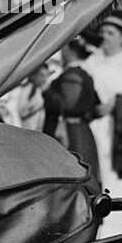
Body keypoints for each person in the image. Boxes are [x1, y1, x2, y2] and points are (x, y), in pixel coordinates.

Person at [83, 13, 122, 237]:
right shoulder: (93, 60)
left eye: (111, 33)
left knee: (118, 178)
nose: (105, 37)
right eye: (103, 33)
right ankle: (98, 232)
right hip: (94, 128)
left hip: (120, 130)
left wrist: (118, 105)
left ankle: (121, 232)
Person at [42, 37, 101, 183]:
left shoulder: (72, 74)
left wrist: (45, 90)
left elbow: (68, 104)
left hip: (71, 135)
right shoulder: (83, 74)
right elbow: (96, 107)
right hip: (81, 131)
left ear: (69, 49)